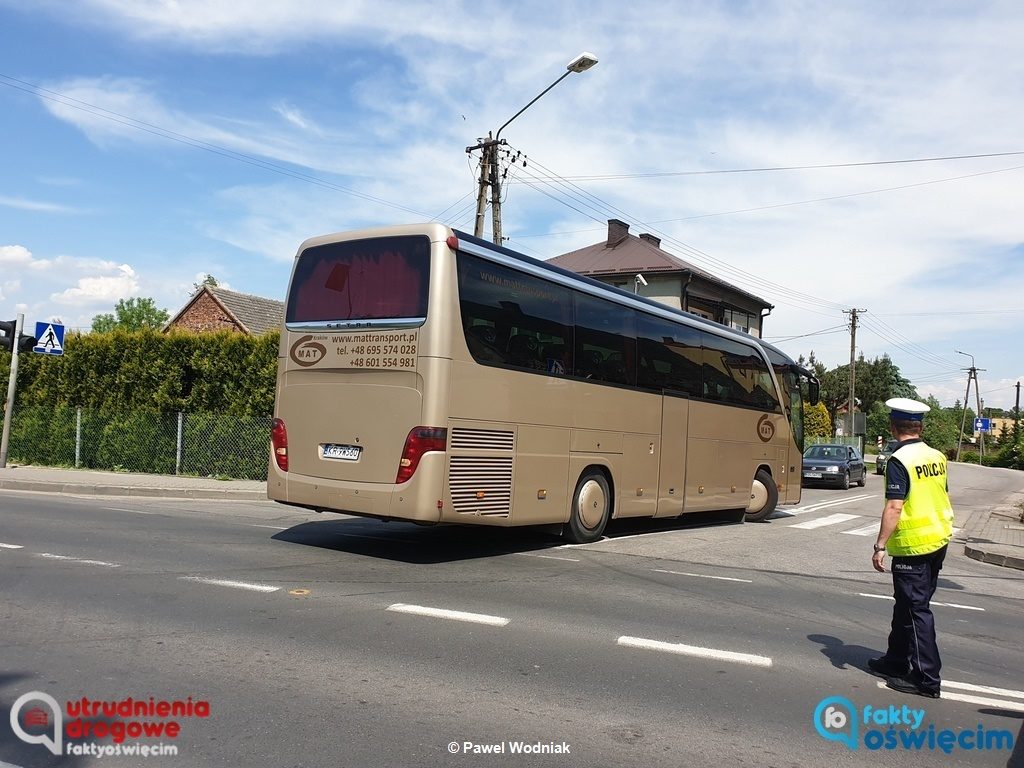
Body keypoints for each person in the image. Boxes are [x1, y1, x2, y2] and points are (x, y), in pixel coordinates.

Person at [868, 397, 954, 698]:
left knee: (916, 609)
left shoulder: (899, 461)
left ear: (893, 428)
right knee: (906, 603)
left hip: (914, 546)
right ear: (920, 427)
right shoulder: (937, 456)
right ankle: (895, 662)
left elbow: (894, 506)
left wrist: (879, 545)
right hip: (938, 540)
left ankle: (927, 679)